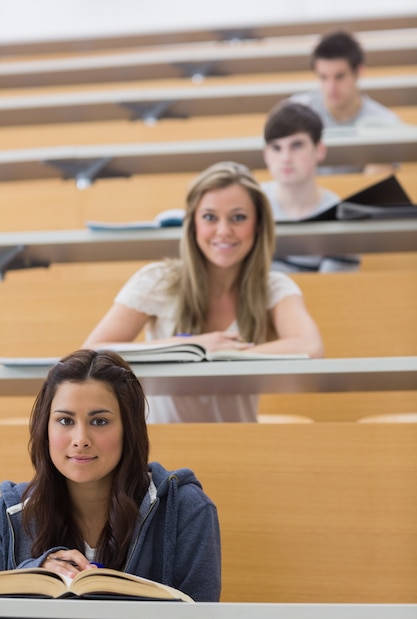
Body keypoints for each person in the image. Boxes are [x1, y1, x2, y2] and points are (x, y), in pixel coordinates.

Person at [82, 161, 324, 423]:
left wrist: (218, 354)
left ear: (257, 225)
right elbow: (92, 352)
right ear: (193, 224)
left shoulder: (274, 287)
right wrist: (189, 347)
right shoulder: (157, 280)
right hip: (160, 448)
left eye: (238, 217)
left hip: (240, 442)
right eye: (210, 217)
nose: (223, 231)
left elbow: (310, 347)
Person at [0, 349, 221, 619]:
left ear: (129, 428)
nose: (80, 439)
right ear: (45, 428)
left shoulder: (188, 510)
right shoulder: (6, 511)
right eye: (65, 421)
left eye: (99, 421)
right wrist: (35, 574)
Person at [262, 100, 359, 272]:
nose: (285, 158)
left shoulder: (339, 216)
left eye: (297, 145)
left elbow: (334, 292)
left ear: (319, 150)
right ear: (266, 155)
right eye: (276, 148)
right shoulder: (251, 205)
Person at [290, 30, 400, 174]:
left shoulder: (384, 121)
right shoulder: (297, 113)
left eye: (339, 76)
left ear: (358, 71)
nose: (331, 87)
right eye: (323, 77)